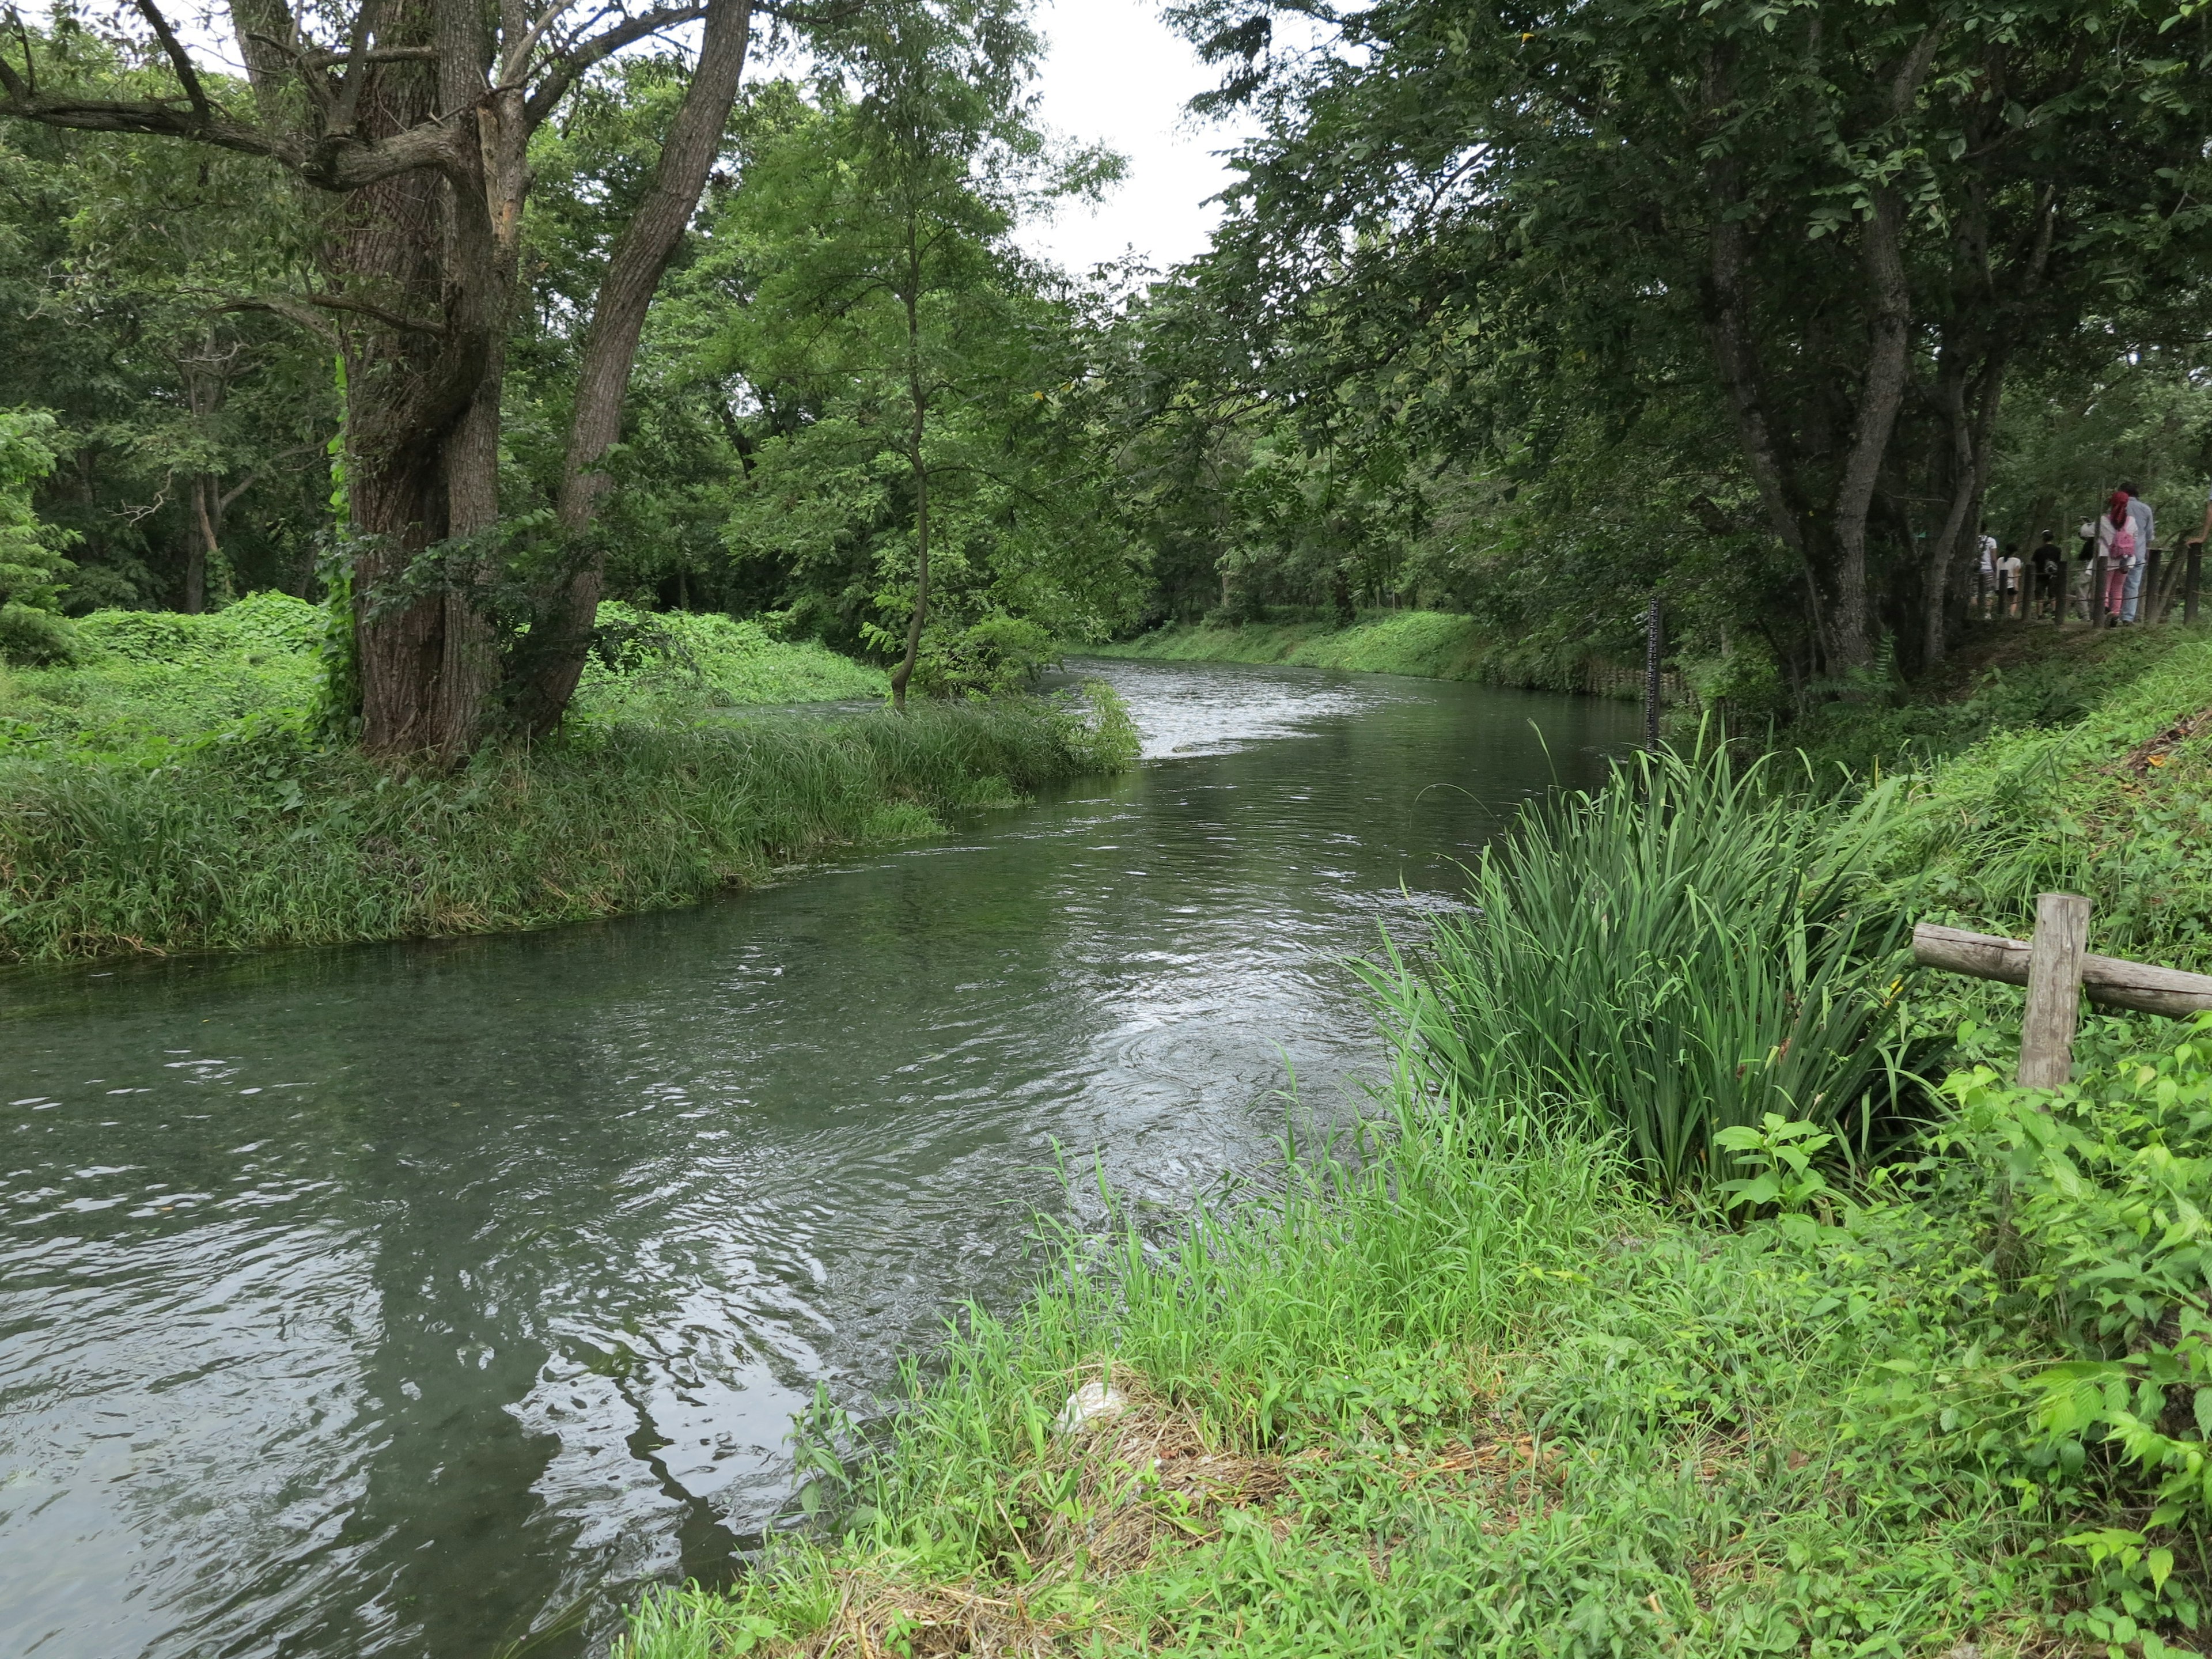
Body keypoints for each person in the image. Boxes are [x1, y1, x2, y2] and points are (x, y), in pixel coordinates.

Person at [2097, 490, 2138, 625]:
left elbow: (2089, 532)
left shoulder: (2103, 520)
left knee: (2105, 587)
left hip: (2107, 559)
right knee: (2118, 589)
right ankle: (2115, 615)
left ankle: (2103, 613)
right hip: (2124, 560)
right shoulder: (2131, 521)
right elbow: (2135, 537)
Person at [2119, 481, 2155, 623]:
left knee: (2115, 583)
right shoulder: (2146, 509)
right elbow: (2149, 533)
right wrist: (2147, 549)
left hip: (2119, 552)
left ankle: (2113, 613)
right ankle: (2128, 617)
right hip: (2138, 551)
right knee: (2133, 584)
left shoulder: (2119, 507)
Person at [2032, 532, 2063, 619]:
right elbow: (2059, 561)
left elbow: (2035, 561)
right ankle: (2054, 613)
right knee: (2053, 594)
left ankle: (2040, 615)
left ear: (2043, 539)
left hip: (2041, 575)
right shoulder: (2057, 550)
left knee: (2040, 595)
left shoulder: (2039, 551)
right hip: (2053, 575)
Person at [1998, 543, 2024, 617]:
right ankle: (2011, 615)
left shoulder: (2000, 560)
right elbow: (2016, 574)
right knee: (2014, 600)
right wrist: (2016, 585)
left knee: (2002, 600)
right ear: (2015, 552)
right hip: (2011, 584)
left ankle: (2001, 614)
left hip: (2000, 584)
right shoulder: (2017, 561)